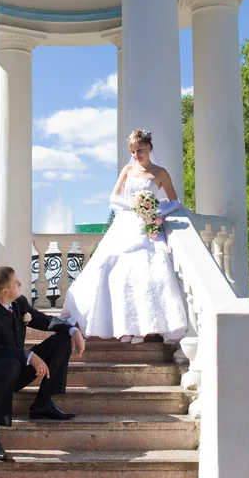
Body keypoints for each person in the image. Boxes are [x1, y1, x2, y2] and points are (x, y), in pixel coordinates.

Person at [61, 128, 187, 344]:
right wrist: (135, 205)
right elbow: (114, 197)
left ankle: (143, 326)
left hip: (146, 225)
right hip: (126, 223)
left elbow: (174, 201)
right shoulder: (128, 169)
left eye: (140, 150)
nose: (137, 155)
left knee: (144, 273)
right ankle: (119, 325)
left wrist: (155, 212)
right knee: (111, 268)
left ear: (149, 147)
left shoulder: (160, 173)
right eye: (133, 151)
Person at [0, 266, 86, 461]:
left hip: (16, 369)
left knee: (62, 339)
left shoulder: (19, 303)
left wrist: (71, 330)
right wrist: (28, 355)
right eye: (16, 281)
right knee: (9, 363)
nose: (20, 284)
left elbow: (44, 320)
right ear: (4, 291)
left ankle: (42, 404)